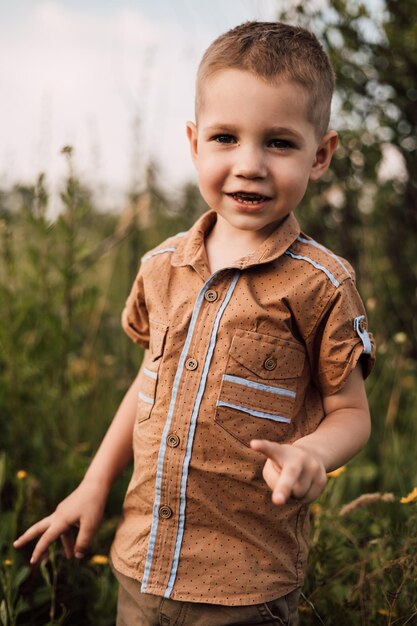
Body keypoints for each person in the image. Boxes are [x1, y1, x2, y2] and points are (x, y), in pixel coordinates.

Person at [14, 21, 375, 625]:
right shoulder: (161, 267)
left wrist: (313, 453)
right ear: (194, 142)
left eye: (279, 143)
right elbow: (147, 380)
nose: (249, 165)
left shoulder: (321, 284)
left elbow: (351, 412)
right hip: (141, 564)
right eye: (226, 138)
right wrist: (94, 483)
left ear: (321, 155)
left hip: (246, 585)